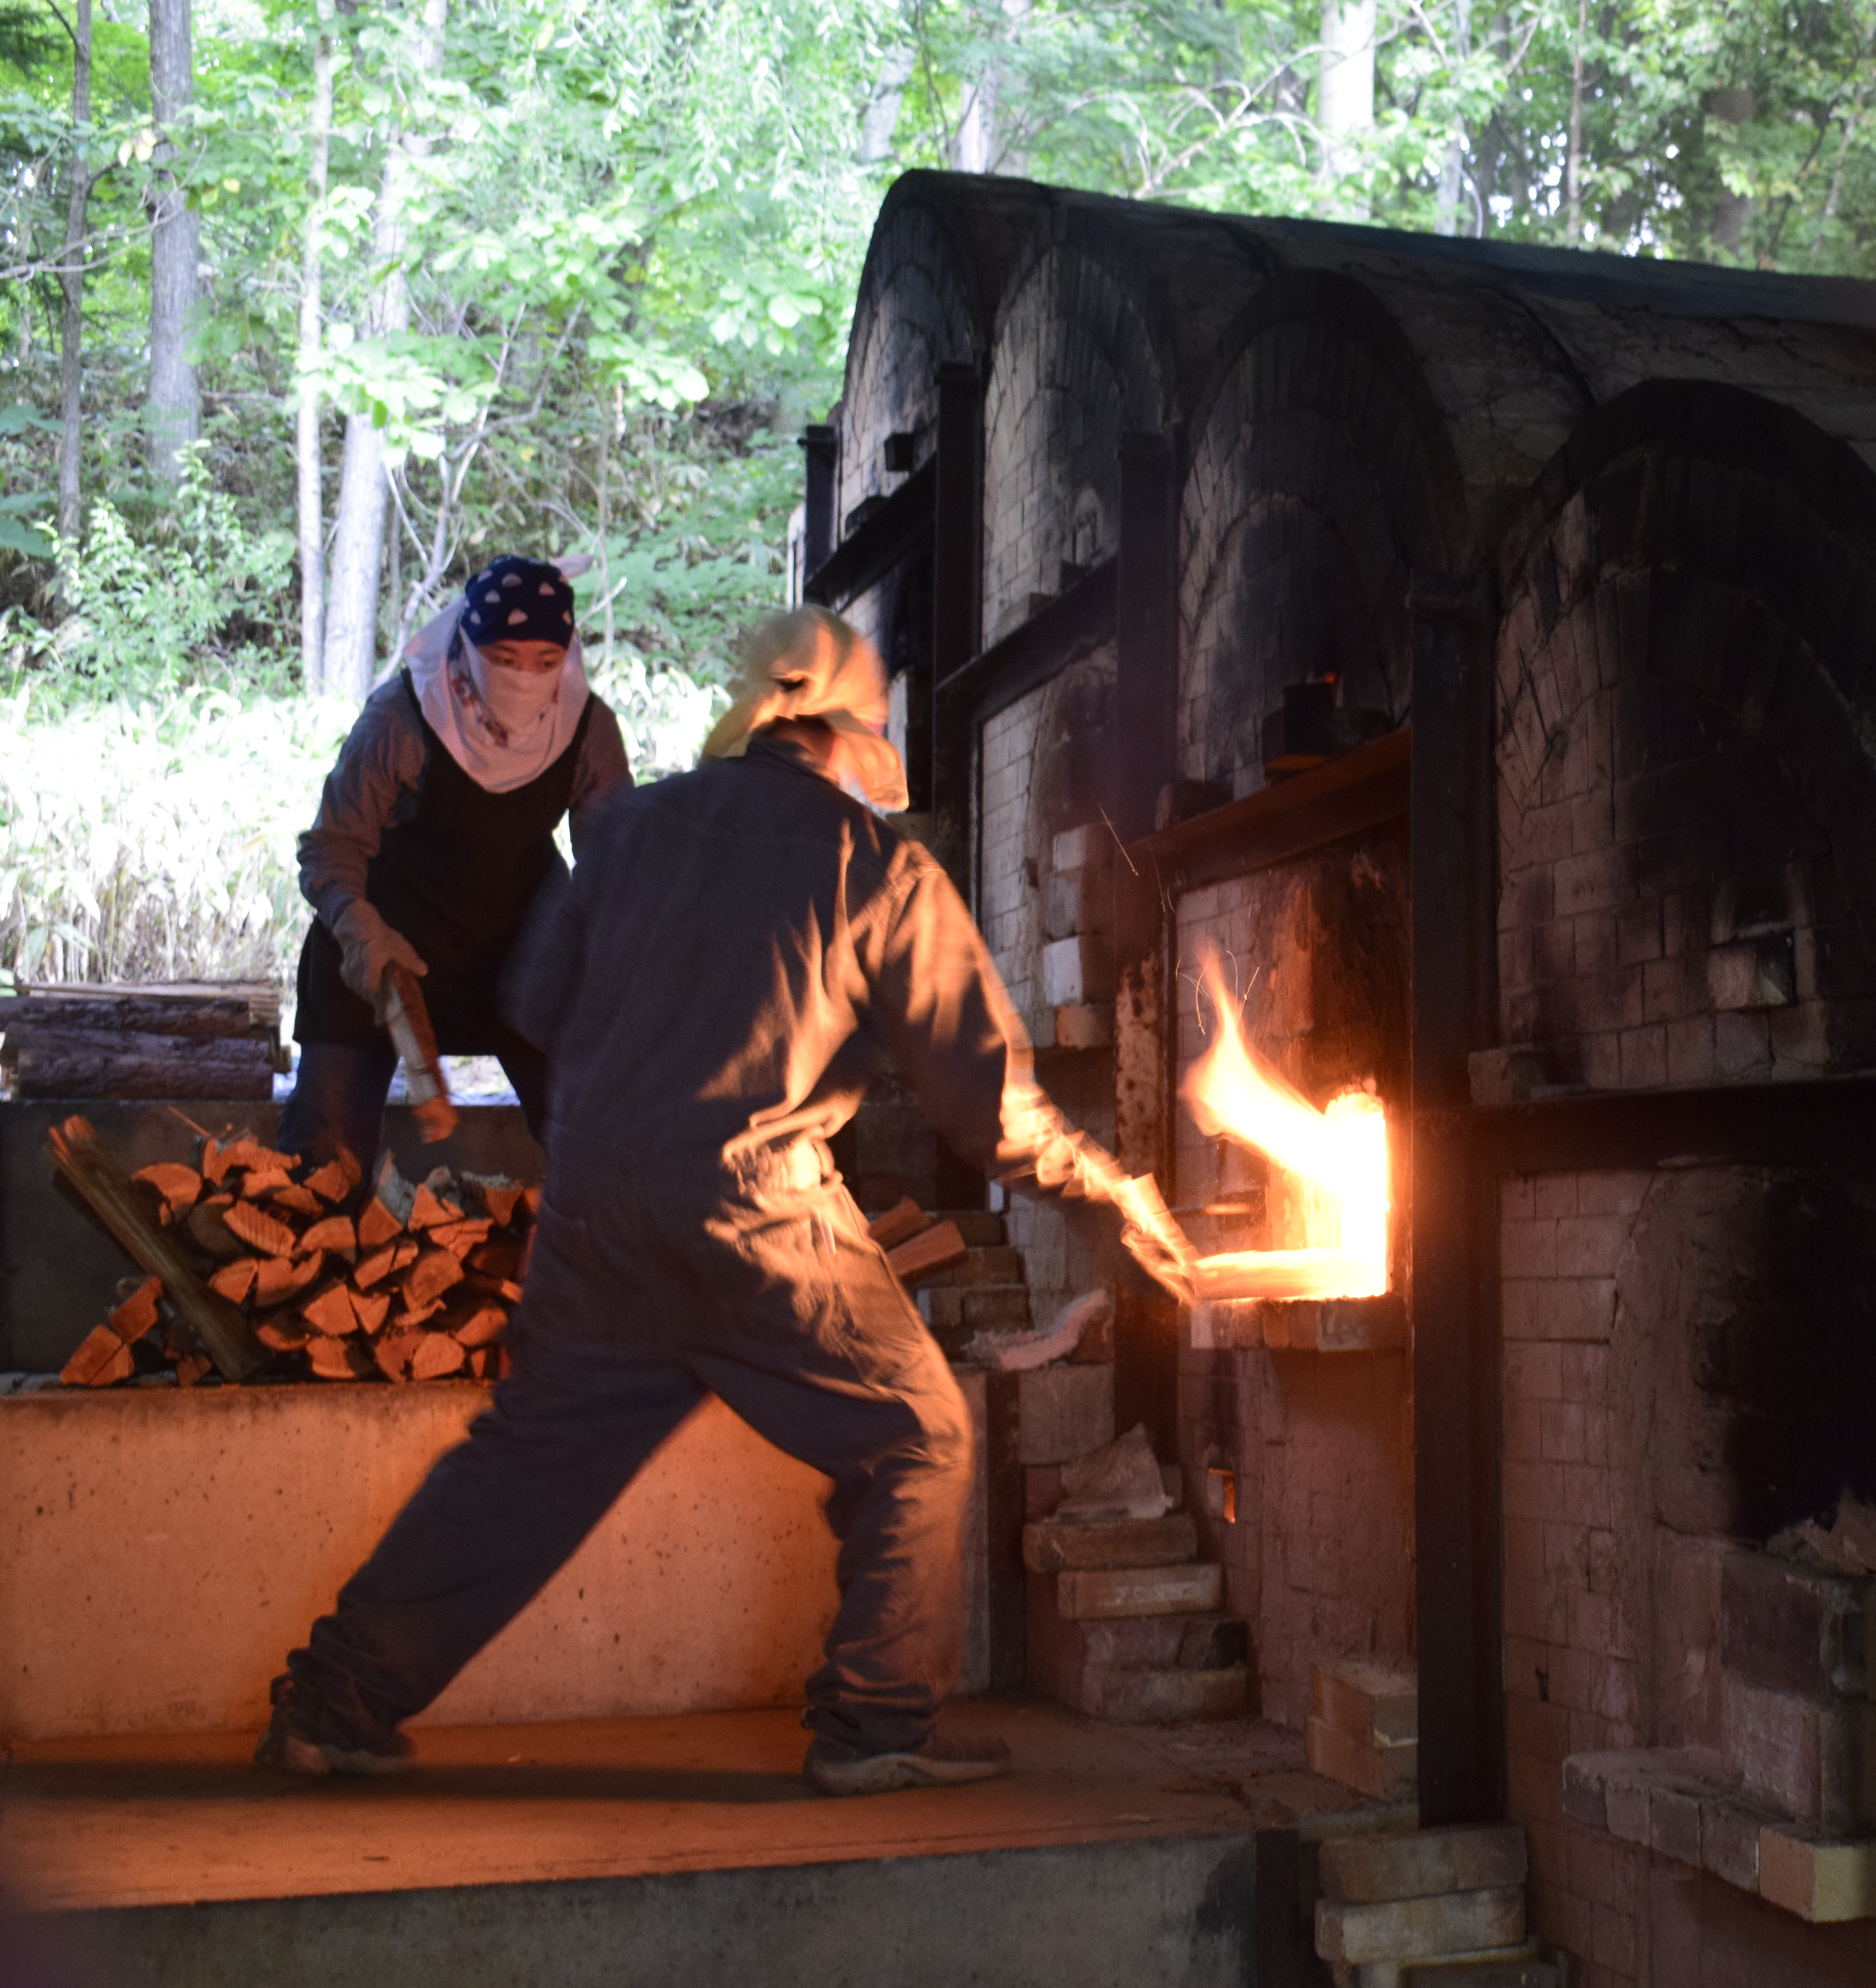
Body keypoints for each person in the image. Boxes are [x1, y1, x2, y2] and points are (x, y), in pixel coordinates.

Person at [255, 608, 1192, 1797]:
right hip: (754, 1214)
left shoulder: (628, 830)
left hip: (594, 1216)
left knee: (528, 1461)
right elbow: (988, 1107)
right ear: (854, 731)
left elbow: (535, 1000)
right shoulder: (876, 860)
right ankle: (874, 1725)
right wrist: (1112, 1189)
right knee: (917, 1434)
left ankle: (330, 1703)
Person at [284, 556, 630, 1173]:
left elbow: (617, 872)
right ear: (466, 645)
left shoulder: (590, 729)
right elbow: (332, 845)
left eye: (545, 663)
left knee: (600, 1141)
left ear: (568, 656)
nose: (525, 678)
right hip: (381, 942)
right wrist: (358, 929)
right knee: (320, 1169)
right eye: (504, 659)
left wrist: (616, 966)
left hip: (525, 951)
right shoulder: (403, 716)